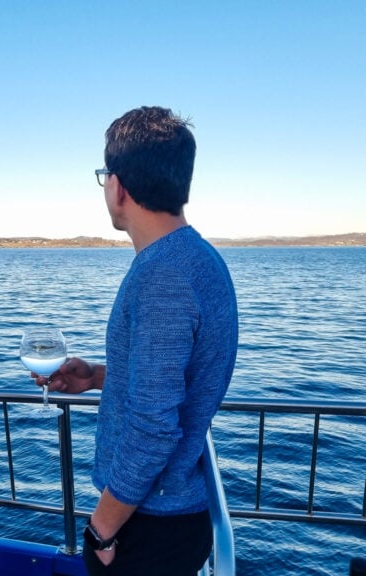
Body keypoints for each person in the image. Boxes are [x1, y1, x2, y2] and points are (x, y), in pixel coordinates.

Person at [39, 106, 238, 575]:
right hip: (168, 517)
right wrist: (97, 379)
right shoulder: (198, 258)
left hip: (149, 525)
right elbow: (174, 384)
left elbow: (154, 427)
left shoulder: (162, 275)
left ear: (118, 185)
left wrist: (101, 529)